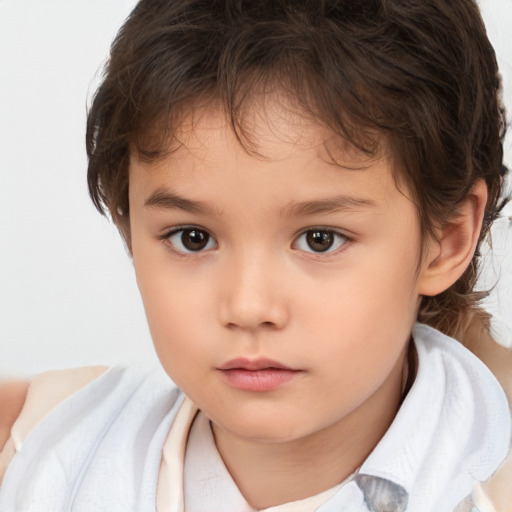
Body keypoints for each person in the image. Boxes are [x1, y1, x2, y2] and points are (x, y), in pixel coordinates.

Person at [0, 0, 511, 510]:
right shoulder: (37, 443)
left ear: (447, 239)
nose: (248, 307)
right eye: (192, 238)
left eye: (320, 239)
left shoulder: (489, 485)